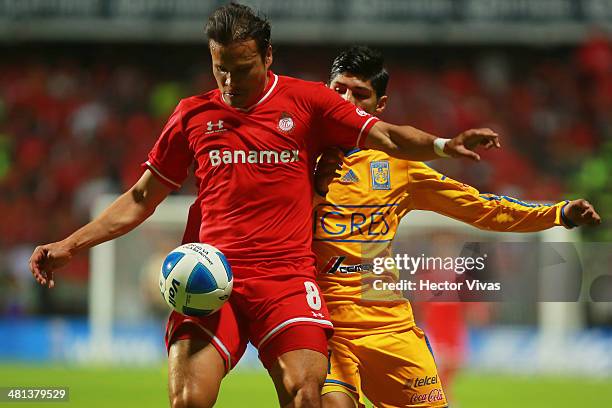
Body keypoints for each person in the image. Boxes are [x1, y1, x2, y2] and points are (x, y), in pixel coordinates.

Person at [28, 4, 501, 408]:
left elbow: (387, 134)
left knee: (306, 394)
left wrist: (442, 144)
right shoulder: (192, 115)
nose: (230, 80)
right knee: (188, 398)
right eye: (220, 68)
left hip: (286, 280)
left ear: (267, 56)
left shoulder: (310, 102)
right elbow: (139, 198)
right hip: (211, 279)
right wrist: (71, 245)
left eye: (242, 66)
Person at [312, 45, 601, 408]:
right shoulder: (296, 157)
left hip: (387, 325)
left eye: (360, 94)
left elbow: (482, 209)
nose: (346, 100)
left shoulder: (399, 166)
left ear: (379, 107)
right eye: (339, 89)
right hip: (321, 323)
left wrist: (556, 215)